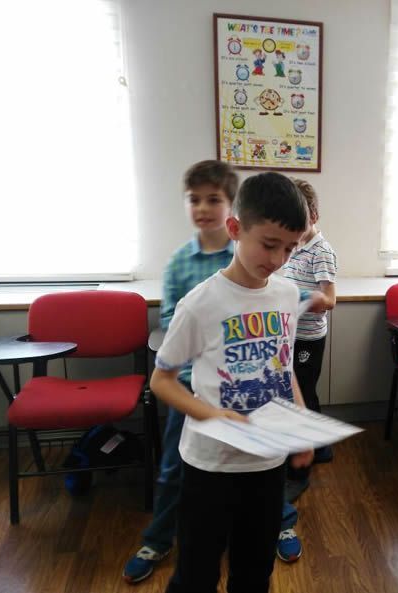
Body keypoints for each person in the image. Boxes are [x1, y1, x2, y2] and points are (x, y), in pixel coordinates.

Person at [149, 172, 314, 593]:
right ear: (236, 229)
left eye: (290, 248)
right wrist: (213, 414)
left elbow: (283, 368)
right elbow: (162, 381)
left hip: (267, 463)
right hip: (210, 465)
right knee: (197, 573)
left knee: (255, 571)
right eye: (269, 244)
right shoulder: (200, 303)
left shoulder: (285, 295)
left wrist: (300, 425)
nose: (278, 259)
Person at [122, 159, 238, 584]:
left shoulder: (244, 256)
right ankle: (158, 539)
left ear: (230, 206)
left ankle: (278, 522)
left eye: (213, 199)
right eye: (195, 199)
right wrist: (207, 335)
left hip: (239, 387)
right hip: (188, 388)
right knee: (173, 468)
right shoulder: (178, 264)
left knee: (255, 460)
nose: (203, 208)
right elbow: (172, 320)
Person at [276, 177, 338, 563]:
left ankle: (302, 465)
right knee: (291, 395)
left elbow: (329, 299)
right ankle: (318, 446)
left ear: (313, 215)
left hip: (308, 338)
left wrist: (299, 298)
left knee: (305, 394)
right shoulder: (291, 245)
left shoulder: (321, 251)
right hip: (286, 334)